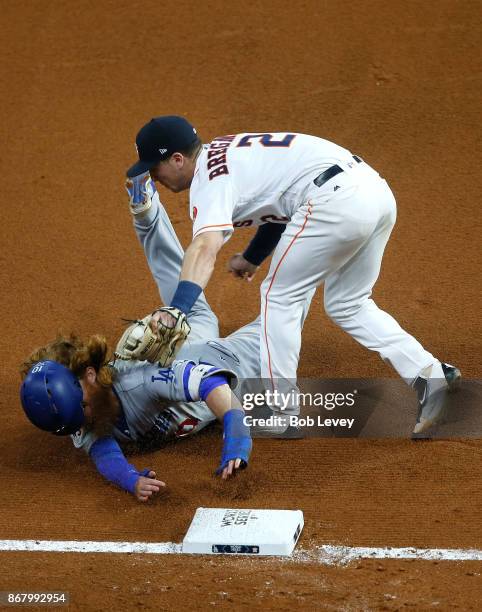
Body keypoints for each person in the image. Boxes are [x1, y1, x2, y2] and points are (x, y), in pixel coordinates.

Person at [126, 116, 461, 434]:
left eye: (155, 170)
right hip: (374, 193)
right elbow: (280, 204)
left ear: (178, 159)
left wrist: (178, 310)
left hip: (335, 202)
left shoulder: (207, 182)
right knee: (349, 303)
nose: (156, 179)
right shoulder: (227, 150)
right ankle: (429, 375)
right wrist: (253, 257)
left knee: (278, 296)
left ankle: (281, 411)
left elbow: (203, 247)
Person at [20, 195, 258, 502]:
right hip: (187, 344)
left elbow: (212, 383)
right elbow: (103, 450)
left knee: (277, 325)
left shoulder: (139, 383)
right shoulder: (72, 410)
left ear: (90, 375)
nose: (85, 422)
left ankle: (312, 253)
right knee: (187, 303)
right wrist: (130, 480)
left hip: (214, 360)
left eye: (83, 411)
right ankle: (148, 213)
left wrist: (236, 432)